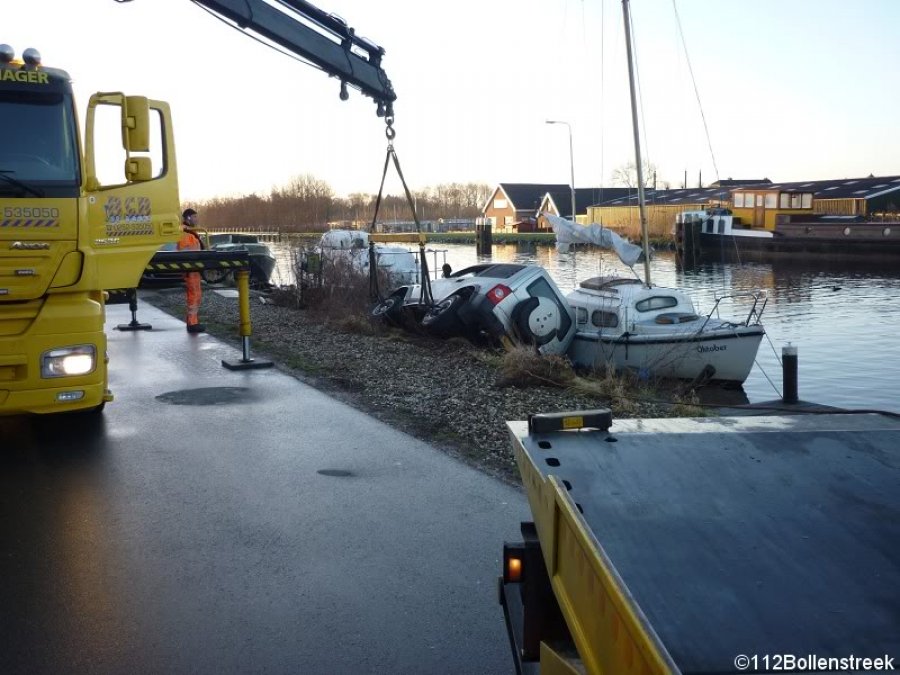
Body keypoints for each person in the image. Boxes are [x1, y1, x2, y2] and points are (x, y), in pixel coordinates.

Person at [177, 208, 205, 333]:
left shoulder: (190, 232)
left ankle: (193, 321)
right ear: (188, 218)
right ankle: (192, 324)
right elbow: (184, 252)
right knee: (194, 296)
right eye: (194, 217)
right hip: (191, 269)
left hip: (194, 268)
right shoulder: (185, 232)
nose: (196, 219)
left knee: (196, 295)